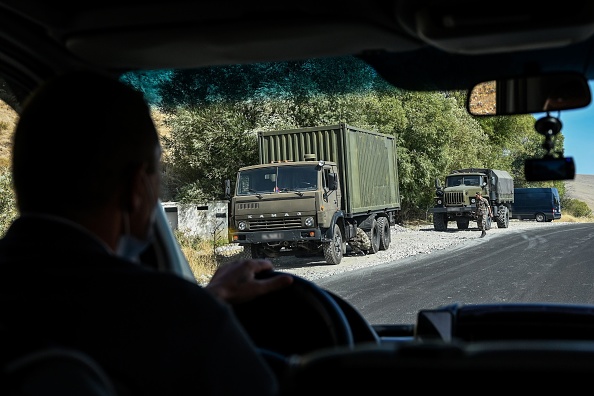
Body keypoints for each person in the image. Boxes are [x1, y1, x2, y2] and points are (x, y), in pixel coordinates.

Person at [0, 70, 294, 395]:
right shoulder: (180, 316)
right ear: (135, 188)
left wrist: (203, 300)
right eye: (158, 170)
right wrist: (193, 309)